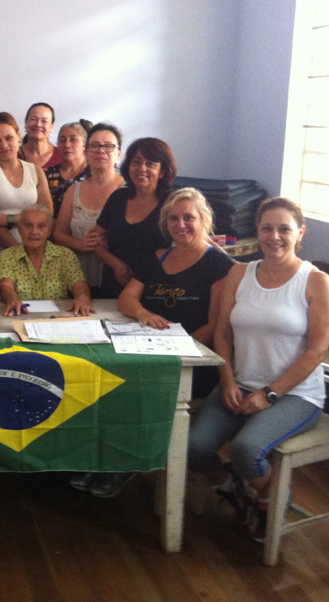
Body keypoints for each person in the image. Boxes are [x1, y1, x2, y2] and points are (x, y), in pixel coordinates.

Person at [188, 197, 329, 542]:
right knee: (195, 448)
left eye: (284, 229)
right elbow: (222, 333)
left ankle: (272, 498)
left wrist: (270, 394)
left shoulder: (316, 281)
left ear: (300, 233)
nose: (274, 236)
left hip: (294, 394)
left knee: (246, 449)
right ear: (257, 232)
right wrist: (227, 381)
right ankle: (233, 487)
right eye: (266, 228)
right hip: (239, 383)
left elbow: (317, 351)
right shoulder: (239, 272)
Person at [73, 189, 235, 498]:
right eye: (174, 218)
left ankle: (126, 462)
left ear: (204, 220)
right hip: (150, 347)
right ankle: (105, 456)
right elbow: (126, 298)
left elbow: (215, 327)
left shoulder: (219, 265)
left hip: (194, 360)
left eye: (189, 217)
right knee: (107, 377)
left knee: (137, 387)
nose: (181, 224)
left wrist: (173, 345)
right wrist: (145, 314)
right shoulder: (158, 256)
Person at [93, 137, 176, 298]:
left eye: (150, 164)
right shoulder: (118, 197)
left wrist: (234, 267)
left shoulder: (172, 202)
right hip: (113, 286)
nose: (141, 168)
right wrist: (116, 264)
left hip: (155, 289)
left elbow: (197, 239)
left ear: (163, 172)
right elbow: (96, 241)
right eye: (136, 162)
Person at [53, 122, 126, 297]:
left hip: (118, 278)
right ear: (86, 152)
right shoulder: (73, 190)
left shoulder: (128, 191)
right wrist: (80, 244)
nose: (101, 150)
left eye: (108, 146)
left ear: (118, 154)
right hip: (76, 277)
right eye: (94, 145)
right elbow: (58, 233)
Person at [0, 112, 53, 253]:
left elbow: (48, 214)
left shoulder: (36, 171)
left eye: (8, 138)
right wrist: (21, 252)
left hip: (36, 251)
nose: (4, 145)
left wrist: (10, 218)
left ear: (19, 136)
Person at [0, 205, 93, 317]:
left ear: (49, 231)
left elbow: (80, 284)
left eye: (41, 226)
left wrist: (83, 298)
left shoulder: (65, 255)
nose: (34, 231)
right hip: (19, 316)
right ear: (19, 229)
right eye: (28, 225)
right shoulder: (7, 256)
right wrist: (12, 300)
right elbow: (5, 286)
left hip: (58, 319)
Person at [45, 119, 93, 215]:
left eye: (73, 140)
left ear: (85, 144)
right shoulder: (46, 174)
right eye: (62, 140)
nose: (67, 145)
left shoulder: (94, 174)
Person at [18, 102, 62, 170]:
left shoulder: (62, 155)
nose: (38, 124)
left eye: (44, 121)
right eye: (33, 119)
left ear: (51, 127)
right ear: (26, 122)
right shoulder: (14, 155)